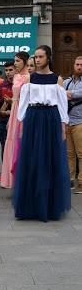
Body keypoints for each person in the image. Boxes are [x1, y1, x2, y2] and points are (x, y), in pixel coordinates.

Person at [13, 46, 71, 221]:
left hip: (51, 118)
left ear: (48, 57)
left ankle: (50, 205)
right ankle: (31, 205)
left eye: (40, 57)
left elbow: (62, 105)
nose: (37, 60)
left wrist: (63, 127)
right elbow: (24, 102)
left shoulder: (57, 79)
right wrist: (22, 124)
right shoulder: (30, 78)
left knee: (50, 159)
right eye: (35, 57)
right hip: (33, 118)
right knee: (33, 159)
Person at [0, 52, 30, 189]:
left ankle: (24, 181)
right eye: (15, 60)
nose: (16, 63)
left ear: (25, 61)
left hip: (23, 111)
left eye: (18, 61)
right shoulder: (17, 76)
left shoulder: (29, 77)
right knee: (11, 142)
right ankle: (13, 180)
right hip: (14, 110)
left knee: (21, 143)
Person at [63, 55, 82, 193]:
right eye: (77, 64)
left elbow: (79, 94)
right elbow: (59, 94)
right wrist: (70, 93)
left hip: (80, 122)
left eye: (81, 65)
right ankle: (70, 180)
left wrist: (68, 93)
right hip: (67, 122)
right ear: (74, 65)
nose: (79, 67)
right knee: (69, 154)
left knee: (81, 154)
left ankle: (81, 182)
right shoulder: (67, 82)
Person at [0, 61, 15, 173]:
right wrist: (5, 104)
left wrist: (10, 103)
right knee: (4, 145)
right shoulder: (1, 85)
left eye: (10, 70)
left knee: (16, 146)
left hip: (16, 119)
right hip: (3, 120)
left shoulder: (20, 84)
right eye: (6, 70)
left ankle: (15, 171)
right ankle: (5, 171)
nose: (8, 73)